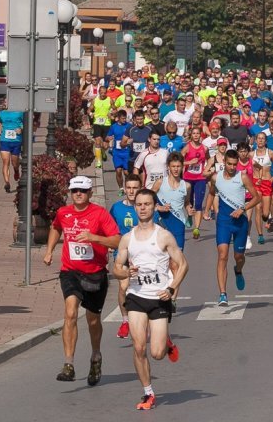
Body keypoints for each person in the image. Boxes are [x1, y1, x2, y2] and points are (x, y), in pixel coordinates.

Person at [113, 188, 189, 411]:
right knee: (138, 347)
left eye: (147, 204)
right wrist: (126, 273)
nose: (143, 208)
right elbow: (116, 268)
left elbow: (183, 264)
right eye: (139, 204)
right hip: (136, 296)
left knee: (156, 353)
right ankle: (148, 393)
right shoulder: (127, 239)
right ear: (135, 207)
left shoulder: (163, 236)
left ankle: (165, 341)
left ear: (154, 207)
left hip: (159, 297)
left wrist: (172, 287)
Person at [43, 176, 121, 386]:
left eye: (83, 191)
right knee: (70, 312)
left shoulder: (100, 214)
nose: (78, 194)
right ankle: (68, 364)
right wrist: (49, 251)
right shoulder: (63, 212)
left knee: (93, 320)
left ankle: (96, 356)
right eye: (74, 190)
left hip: (95, 273)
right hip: (71, 271)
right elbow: (56, 227)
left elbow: (117, 239)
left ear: (90, 193)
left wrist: (95, 238)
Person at [203, 149, 261, 306]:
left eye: (235, 164)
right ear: (224, 163)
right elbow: (211, 193)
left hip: (240, 222)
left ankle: (238, 270)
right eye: (229, 164)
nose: (232, 167)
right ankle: (223, 294)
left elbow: (257, 197)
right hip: (223, 222)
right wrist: (207, 210)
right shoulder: (216, 177)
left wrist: (243, 209)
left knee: (238, 257)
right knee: (222, 255)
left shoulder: (242, 176)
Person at [109, 174, 142, 340]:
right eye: (129, 187)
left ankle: (153, 323)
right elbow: (110, 228)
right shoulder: (116, 208)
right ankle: (125, 321)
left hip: (142, 255)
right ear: (124, 188)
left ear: (140, 189)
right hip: (122, 253)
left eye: (135, 188)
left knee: (144, 290)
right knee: (123, 287)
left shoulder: (144, 207)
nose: (131, 191)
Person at [152, 152, 193, 251]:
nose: (176, 169)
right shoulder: (160, 183)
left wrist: (189, 209)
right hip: (162, 223)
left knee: (177, 259)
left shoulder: (186, 186)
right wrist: (158, 207)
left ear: (182, 167)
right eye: (173, 166)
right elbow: (148, 201)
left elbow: (186, 202)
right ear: (168, 167)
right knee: (162, 258)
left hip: (179, 223)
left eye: (178, 166)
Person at [251, 131, 273, 242]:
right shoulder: (251, 154)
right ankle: (260, 235)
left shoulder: (270, 153)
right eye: (258, 138)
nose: (260, 140)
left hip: (267, 183)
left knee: (265, 213)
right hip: (256, 183)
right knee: (257, 208)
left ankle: (267, 218)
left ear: (266, 141)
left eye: (263, 138)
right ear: (255, 140)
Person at [181, 127, 209, 240]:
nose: (196, 135)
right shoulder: (187, 147)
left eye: (198, 133)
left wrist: (207, 170)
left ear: (200, 135)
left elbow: (209, 160)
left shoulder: (204, 148)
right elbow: (178, 160)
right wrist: (189, 162)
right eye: (194, 133)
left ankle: (196, 228)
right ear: (191, 135)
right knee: (188, 201)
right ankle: (189, 215)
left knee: (198, 203)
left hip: (200, 178)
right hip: (188, 177)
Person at [0, 109, 23, 192]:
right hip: (4, 140)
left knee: (14, 163)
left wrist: (21, 129)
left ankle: (16, 170)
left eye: (6, 101)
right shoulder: (1, 113)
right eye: (4, 101)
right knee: (5, 162)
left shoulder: (20, 112)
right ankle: (7, 183)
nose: (5, 103)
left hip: (16, 141)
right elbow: (1, 122)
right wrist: (0, 131)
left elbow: (26, 123)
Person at [90, 85, 114, 168]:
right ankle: (98, 162)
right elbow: (89, 109)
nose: (103, 94)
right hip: (97, 123)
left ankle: (103, 152)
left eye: (104, 93)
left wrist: (111, 113)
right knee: (97, 142)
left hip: (107, 124)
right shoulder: (95, 100)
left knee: (105, 146)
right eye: (101, 93)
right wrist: (91, 113)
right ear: (99, 92)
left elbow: (115, 109)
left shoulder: (110, 100)